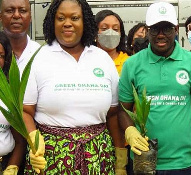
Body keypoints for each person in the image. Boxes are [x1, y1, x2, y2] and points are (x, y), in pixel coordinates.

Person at [22, 0, 125, 174]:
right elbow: (25, 111)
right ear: (52, 22)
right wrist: (33, 137)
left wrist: (120, 160)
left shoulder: (102, 59)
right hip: (50, 157)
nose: (67, 23)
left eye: (75, 18)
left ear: (85, 22)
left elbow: (113, 114)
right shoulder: (38, 58)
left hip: (98, 157)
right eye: (60, 18)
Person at [118, 2, 191, 175]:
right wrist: (129, 130)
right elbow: (123, 110)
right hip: (142, 160)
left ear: (176, 29)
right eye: (155, 29)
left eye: (167, 29)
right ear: (147, 30)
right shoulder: (131, 65)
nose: (161, 35)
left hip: (182, 164)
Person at [0, 32, 26, 175]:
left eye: (1, 56)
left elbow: (20, 141)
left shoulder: (11, 93)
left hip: (5, 164)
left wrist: (12, 167)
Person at [0, 0, 40, 74]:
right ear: (1, 16)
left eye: (22, 11)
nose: (16, 15)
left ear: (30, 17)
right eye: (10, 11)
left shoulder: (41, 54)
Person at [95, 9, 129, 75]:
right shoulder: (86, 60)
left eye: (115, 29)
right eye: (104, 28)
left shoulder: (129, 62)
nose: (110, 32)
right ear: (94, 33)